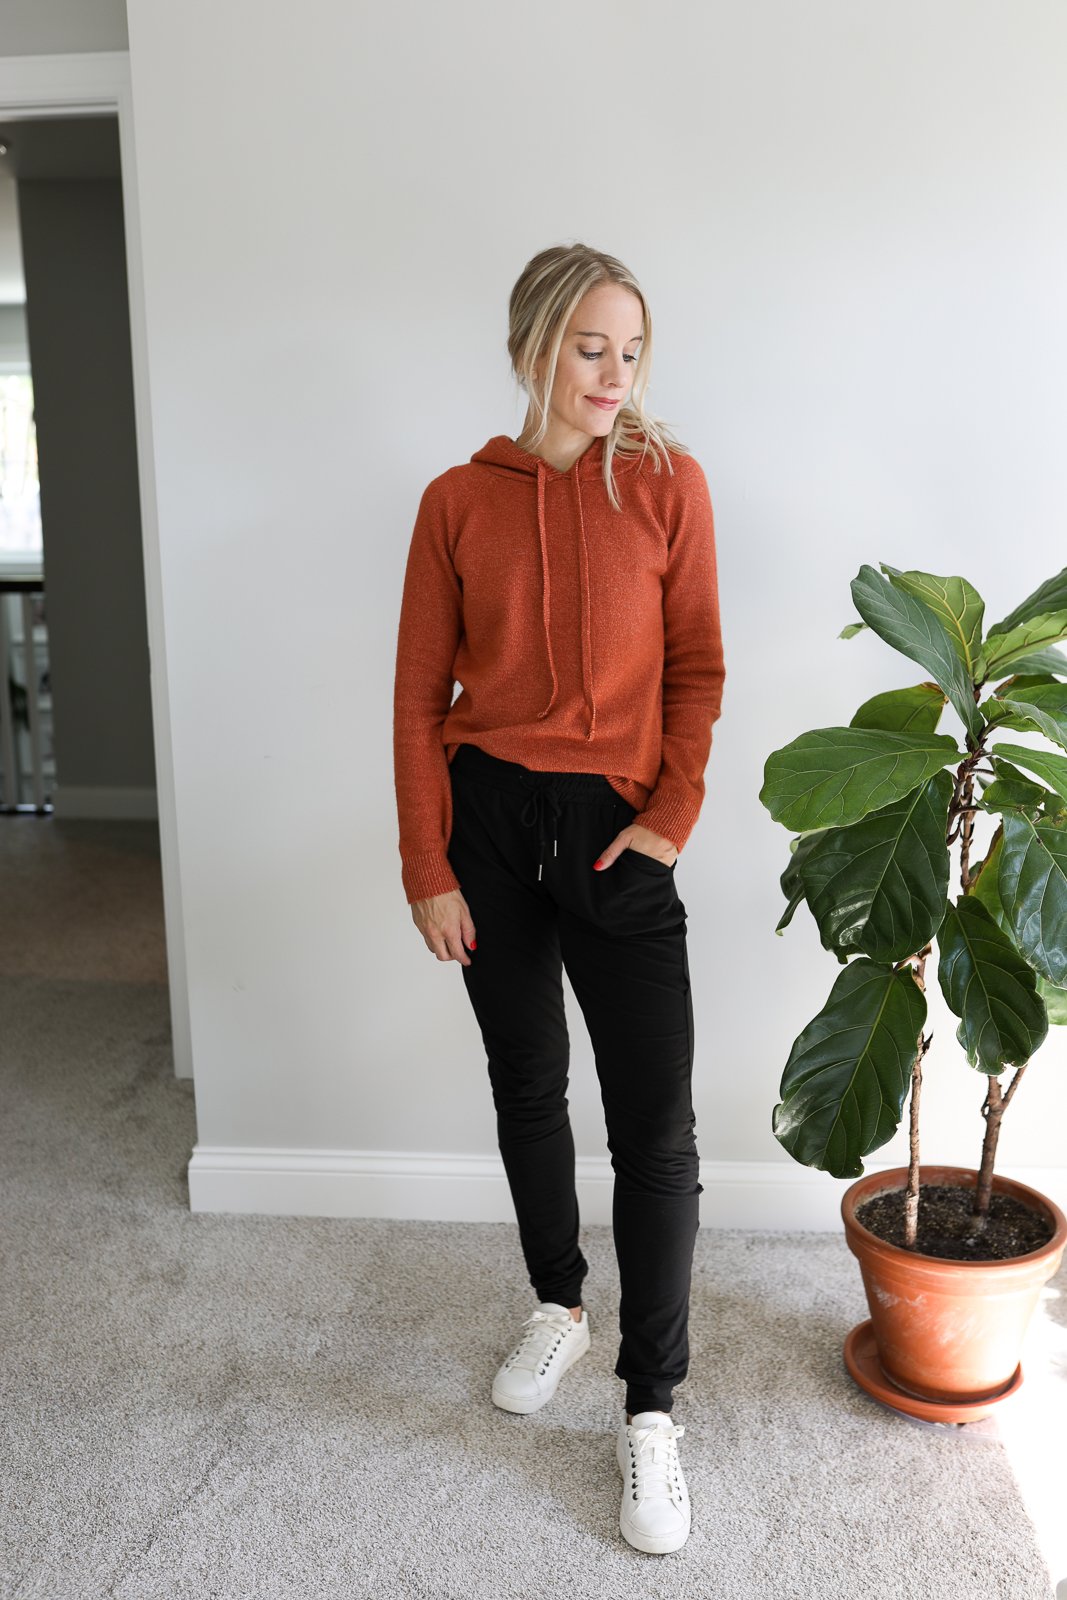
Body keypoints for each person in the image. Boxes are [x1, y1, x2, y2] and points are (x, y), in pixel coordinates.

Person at [391, 241, 725, 1555]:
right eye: (592, 347)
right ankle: (558, 1304)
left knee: (658, 1129)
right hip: (489, 827)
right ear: (534, 345)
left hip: (618, 834)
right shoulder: (455, 502)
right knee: (528, 1079)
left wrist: (669, 822)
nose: (615, 374)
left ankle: (652, 1410)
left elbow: (696, 668)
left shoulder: (668, 487)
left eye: (632, 350)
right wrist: (427, 863)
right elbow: (420, 699)